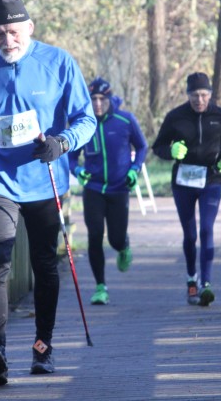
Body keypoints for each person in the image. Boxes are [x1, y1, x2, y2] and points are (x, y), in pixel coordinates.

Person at [0, 0, 96, 386]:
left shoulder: (58, 62)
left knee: (44, 263)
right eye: (0, 34)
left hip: (44, 180)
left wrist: (62, 143)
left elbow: (86, 119)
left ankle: (43, 346)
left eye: (14, 32)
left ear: (30, 27)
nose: (8, 41)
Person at [151, 72, 221, 307]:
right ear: (187, 95)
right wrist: (171, 151)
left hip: (211, 179)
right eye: (195, 95)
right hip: (183, 182)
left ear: (210, 94)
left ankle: (206, 283)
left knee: (207, 229)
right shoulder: (175, 117)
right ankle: (191, 278)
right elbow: (158, 146)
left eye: (204, 95)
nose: (200, 100)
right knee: (190, 235)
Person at [68, 77, 148, 305]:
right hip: (93, 188)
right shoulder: (83, 123)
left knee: (115, 239)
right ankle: (100, 286)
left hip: (119, 188)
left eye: (102, 99)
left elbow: (142, 146)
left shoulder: (125, 119)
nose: (97, 104)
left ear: (110, 99)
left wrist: (134, 169)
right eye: (93, 99)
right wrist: (77, 170)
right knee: (94, 236)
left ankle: (123, 246)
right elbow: (71, 156)